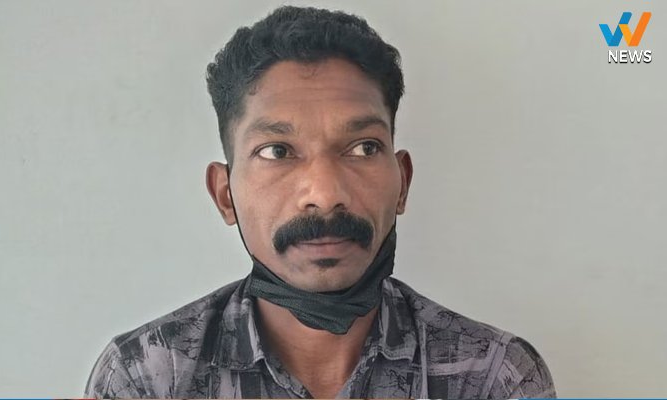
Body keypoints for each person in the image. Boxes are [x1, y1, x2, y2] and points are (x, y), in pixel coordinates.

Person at [85, 5, 556, 399]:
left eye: (364, 148)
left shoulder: (492, 376)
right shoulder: (148, 378)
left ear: (403, 183)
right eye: (277, 151)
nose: (326, 194)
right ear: (225, 195)